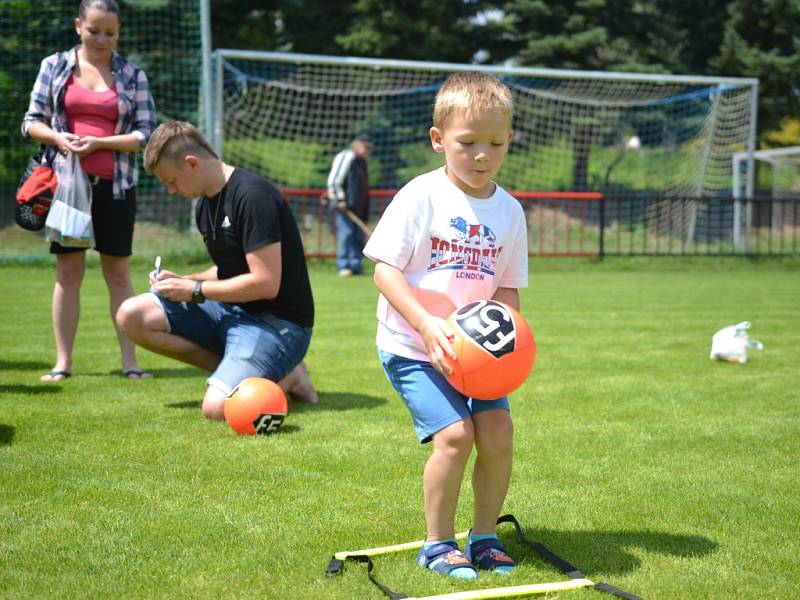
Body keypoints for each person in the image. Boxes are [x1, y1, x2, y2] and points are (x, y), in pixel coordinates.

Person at [362, 72, 528, 579]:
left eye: (495, 143)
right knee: (455, 436)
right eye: (468, 143)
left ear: (509, 141)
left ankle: (484, 537)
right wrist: (426, 325)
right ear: (438, 141)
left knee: (497, 431)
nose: (482, 155)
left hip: (476, 356)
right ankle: (436, 545)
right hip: (413, 346)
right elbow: (384, 270)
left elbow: (506, 288)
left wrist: (508, 341)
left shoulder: (510, 211)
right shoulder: (420, 197)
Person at [115, 121, 317, 419]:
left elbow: (265, 283)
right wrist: (184, 281)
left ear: (191, 163)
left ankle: (289, 375)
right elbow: (229, 269)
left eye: (171, 181)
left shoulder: (253, 196)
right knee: (131, 315)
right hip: (231, 312)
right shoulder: (204, 206)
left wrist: (194, 291)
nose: (171, 191)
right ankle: (249, 372)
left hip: (277, 325)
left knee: (217, 409)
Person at [21, 0, 157, 382]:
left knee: (119, 274)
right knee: (68, 272)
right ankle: (62, 363)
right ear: (78, 25)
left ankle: (131, 362)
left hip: (116, 188)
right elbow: (30, 122)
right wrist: (57, 137)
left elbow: (147, 135)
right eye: (94, 30)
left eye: (110, 33)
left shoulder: (133, 74)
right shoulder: (54, 66)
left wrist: (102, 144)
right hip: (66, 190)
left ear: (119, 32)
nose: (101, 39)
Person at [326, 133, 372, 276]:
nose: (368, 151)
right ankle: (344, 265)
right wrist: (339, 199)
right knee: (346, 234)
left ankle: (355, 265)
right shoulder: (346, 156)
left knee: (357, 236)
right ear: (357, 145)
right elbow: (334, 180)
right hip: (345, 206)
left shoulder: (361, 162)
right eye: (366, 147)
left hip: (358, 207)